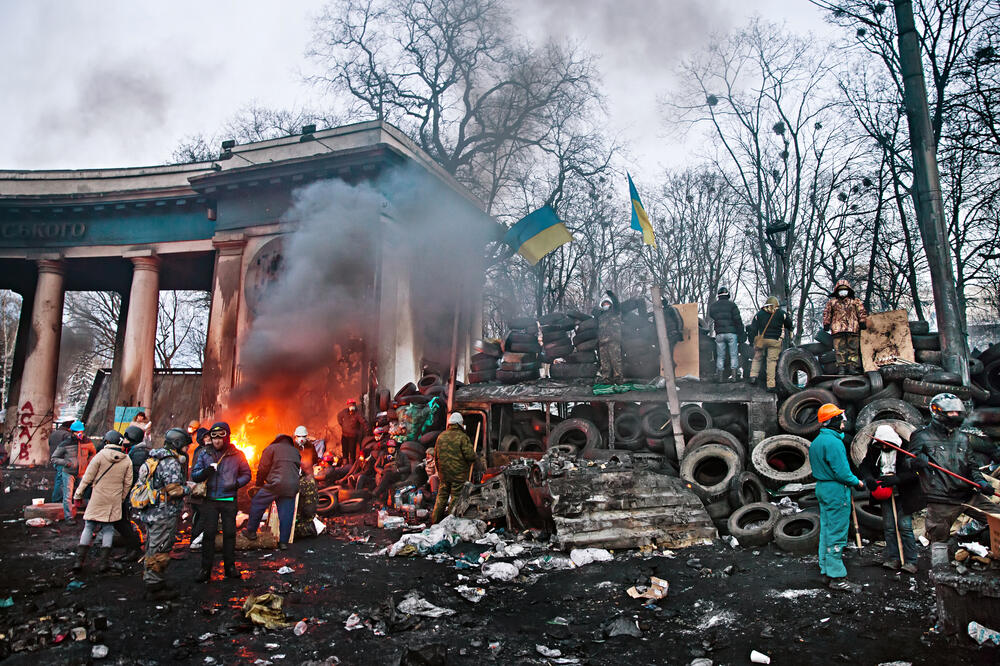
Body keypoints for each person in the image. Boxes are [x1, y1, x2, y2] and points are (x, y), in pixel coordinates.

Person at [908, 393, 996, 569]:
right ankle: (940, 577)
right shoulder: (922, 436)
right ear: (938, 413)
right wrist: (917, 461)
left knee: (997, 517)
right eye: (951, 413)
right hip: (941, 499)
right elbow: (908, 462)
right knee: (939, 540)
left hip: (967, 495)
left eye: (958, 413)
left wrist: (982, 483)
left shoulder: (962, 437)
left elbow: (972, 467)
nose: (956, 416)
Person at [808, 403, 866, 592]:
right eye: (840, 419)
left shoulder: (817, 441)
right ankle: (837, 577)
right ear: (832, 420)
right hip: (836, 490)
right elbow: (842, 472)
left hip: (823, 488)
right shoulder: (833, 443)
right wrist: (857, 482)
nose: (843, 423)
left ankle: (826, 569)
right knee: (837, 532)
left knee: (826, 529)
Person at [191, 422, 252, 582]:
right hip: (210, 500)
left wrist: (236, 483)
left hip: (229, 500)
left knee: (230, 534)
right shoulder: (205, 454)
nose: (217, 441)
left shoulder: (238, 455)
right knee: (209, 535)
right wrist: (206, 472)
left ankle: (230, 567)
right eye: (214, 437)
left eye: (220, 437)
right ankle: (205, 569)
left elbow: (247, 474)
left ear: (227, 437)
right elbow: (195, 475)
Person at [859, 424, 921, 574]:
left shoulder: (905, 449)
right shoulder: (875, 449)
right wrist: (869, 478)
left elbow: (915, 473)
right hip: (884, 492)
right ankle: (894, 558)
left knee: (904, 526)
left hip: (904, 493)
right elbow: (864, 466)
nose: (884, 447)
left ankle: (911, 561)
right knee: (889, 526)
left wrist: (897, 479)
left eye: (886, 445)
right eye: (881, 444)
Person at [135, 430, 189, 600]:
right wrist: (191, 488)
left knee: (152, 546)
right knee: (160, 549)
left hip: (150, 512)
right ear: (178, 444)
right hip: (163, 513)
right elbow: (174, 490)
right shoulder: (170, 462)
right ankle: (155, 587)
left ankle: (153, 579)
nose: (187, 449)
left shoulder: (154, 458)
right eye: (186, 445)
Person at [71, 428, 134, 573]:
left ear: (107, 441)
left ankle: (79, 562)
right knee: (108, 529)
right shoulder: (127, 460)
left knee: (89, 527)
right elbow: (127, 484)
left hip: (98, 498)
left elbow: (87, 478)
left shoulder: (100, 456)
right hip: (114, 500)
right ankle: (103, 563)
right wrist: (121, 498)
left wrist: (78, 495)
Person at [243, 434, 301, 550]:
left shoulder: (271, 448)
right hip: (292, 486)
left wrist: (259, 484)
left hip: (275, 484)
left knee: (257, 503)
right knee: (286, 514)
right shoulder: (295, 451)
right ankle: (283, 542)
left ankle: (251, 532)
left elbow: (263, 468)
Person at [98, 430, 144, 563]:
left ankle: (134, 549)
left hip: (130, 492)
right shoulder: (135, 451)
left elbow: (134, 476)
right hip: (128, 492)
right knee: (123, 521)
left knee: (122, 522)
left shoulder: (138, 453)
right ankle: (133, 548)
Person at [430, 412, 483, 524]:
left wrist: (440, 472)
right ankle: (449, 522)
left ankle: (434, 520)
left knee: (442, 497)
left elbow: (435, 457)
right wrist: (476, 458)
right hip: (458, 475)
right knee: (455, 497)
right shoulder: (462, 437)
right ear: (460, 424)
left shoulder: (441, 436)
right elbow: (470, 455)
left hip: (444, 474)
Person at [745, 297, 793, 391]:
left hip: (762, 340)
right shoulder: (781, 313)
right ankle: (770, 385)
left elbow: (753, 328)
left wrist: (752, 341)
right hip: (775, 341)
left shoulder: (759, 314)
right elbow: (789, 325)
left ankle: (753, 376)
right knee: (771, 362)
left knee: (757, 358)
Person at [822, 280, 868, 375]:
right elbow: (827, 313)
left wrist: (862, 321)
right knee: (839, 350)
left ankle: (852, 368)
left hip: (853, 329)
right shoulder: (832, 302)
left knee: (853, 350)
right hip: (838, 330)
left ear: (848, 290)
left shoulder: (855, 301)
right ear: (837, 291)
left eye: (845, 290)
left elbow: (861, 312)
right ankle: (841, 369)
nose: (843, 292)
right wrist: (826, 323)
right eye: (840, 290)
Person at [50, 420, 91, 525]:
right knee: (67, 495)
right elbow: (54, 458)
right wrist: (67, 463)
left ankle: (88, 515)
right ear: (72, 432)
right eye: (77, 432)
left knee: (85, 493)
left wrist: (89, 462)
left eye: (81, 431)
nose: (79, 434)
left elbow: (93, 453)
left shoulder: (87, 442)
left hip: (82, 472)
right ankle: (69, 517)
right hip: (68, 472)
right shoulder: (65, 444)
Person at [708, 287, 744, 382]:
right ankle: (734, 376)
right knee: (733, 355)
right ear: (727, 295)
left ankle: (719, 376)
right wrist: (741, 332)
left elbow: (711, 315)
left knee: (720, 355)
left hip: (719, 334)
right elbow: (738, 320)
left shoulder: (714, 306)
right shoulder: (732, 305)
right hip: (732, 334)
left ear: (718, 295)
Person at [294, 431, 320, 539]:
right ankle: (305, 523)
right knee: (304, 501)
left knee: (307, 500)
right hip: (301, 477)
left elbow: (314, 459)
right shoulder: (294, 447)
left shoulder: (308, 447)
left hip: (304, 477)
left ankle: (303, 524)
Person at [595, 290, 624, 383]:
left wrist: (611, 295)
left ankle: (618, 378)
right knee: (604, 362)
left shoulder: (615, 312)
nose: (605, 305)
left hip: (613, 340)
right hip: (603, 342)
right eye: (604, 304)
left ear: (611, 304)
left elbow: (616, 303)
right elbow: (594, 311)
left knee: (615, 361)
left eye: (607, 303)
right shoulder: (601, 316)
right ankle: (606, 378)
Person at [49, 422, 73, 504]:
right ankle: (57, 500)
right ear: (69, 427)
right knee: (61, 481)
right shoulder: (66, 435)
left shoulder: (53, 433)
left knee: (60, 479)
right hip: (63, 461)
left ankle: (57, 499)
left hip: (55, 460)